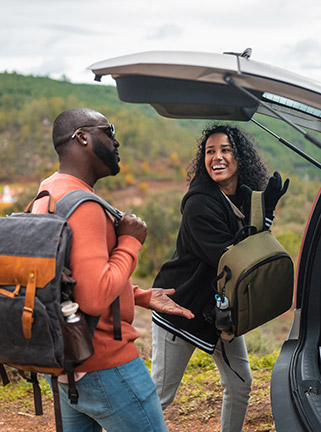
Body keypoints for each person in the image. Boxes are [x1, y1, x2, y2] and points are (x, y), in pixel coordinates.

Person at [32, 107, 194, 432]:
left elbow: (69, 279)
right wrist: (131, 243)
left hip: (67, 363)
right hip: (107, 364)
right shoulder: (86, 206)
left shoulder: (47, 192)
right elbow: (93, 298)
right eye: (109, 131)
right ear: (82, 137)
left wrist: (142, 296)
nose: (117, 142)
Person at [151, 124, 289, 432]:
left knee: (240, 384)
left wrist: (264, 210)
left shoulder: (243, 197)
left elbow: (250, 241)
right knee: (160, 396)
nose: (217, 157)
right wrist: (262, 220)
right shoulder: (199, 205)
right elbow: (237, 259)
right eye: (209, 151)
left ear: (240, 157)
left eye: (225, 150)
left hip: (220, 309)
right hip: (181, 307)